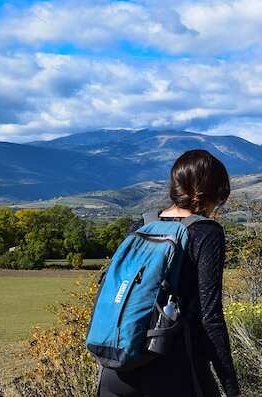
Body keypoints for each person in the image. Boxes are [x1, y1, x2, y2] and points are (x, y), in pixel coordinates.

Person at [99, 149, 240, 397]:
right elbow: (211, 316)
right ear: (214, 191)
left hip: (116, 368)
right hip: (174, 369)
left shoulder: (141, 226)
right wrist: (230, 384)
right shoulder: (207, 233)